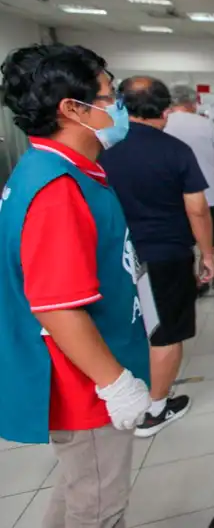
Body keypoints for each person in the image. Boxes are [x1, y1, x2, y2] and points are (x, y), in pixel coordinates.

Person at [0, 44, 152, 527]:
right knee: (99, 508)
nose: (118, 108)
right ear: (72, 108)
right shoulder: (56, 189)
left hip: (90, 370)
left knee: (76, 493)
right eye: (109, 97)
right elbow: (56, 306)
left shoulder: (61, 170)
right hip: (84, 385)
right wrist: (116, 384)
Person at [100, 76, 214, 437]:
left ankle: (119, 393)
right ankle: (154, 409)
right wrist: (208, 254)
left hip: (113, 255)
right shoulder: (175, 150)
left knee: (129, 327)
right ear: (165, 111)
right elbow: (197, 209)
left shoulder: (100, 149)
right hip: (165, 254)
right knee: (165, 333)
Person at [164, 84, 214, 296]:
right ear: (193, 103)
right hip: (209, 192)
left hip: (174, 196)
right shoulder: (205, 123)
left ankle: (195, 280)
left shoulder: (162, 124)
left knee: (185, 238)